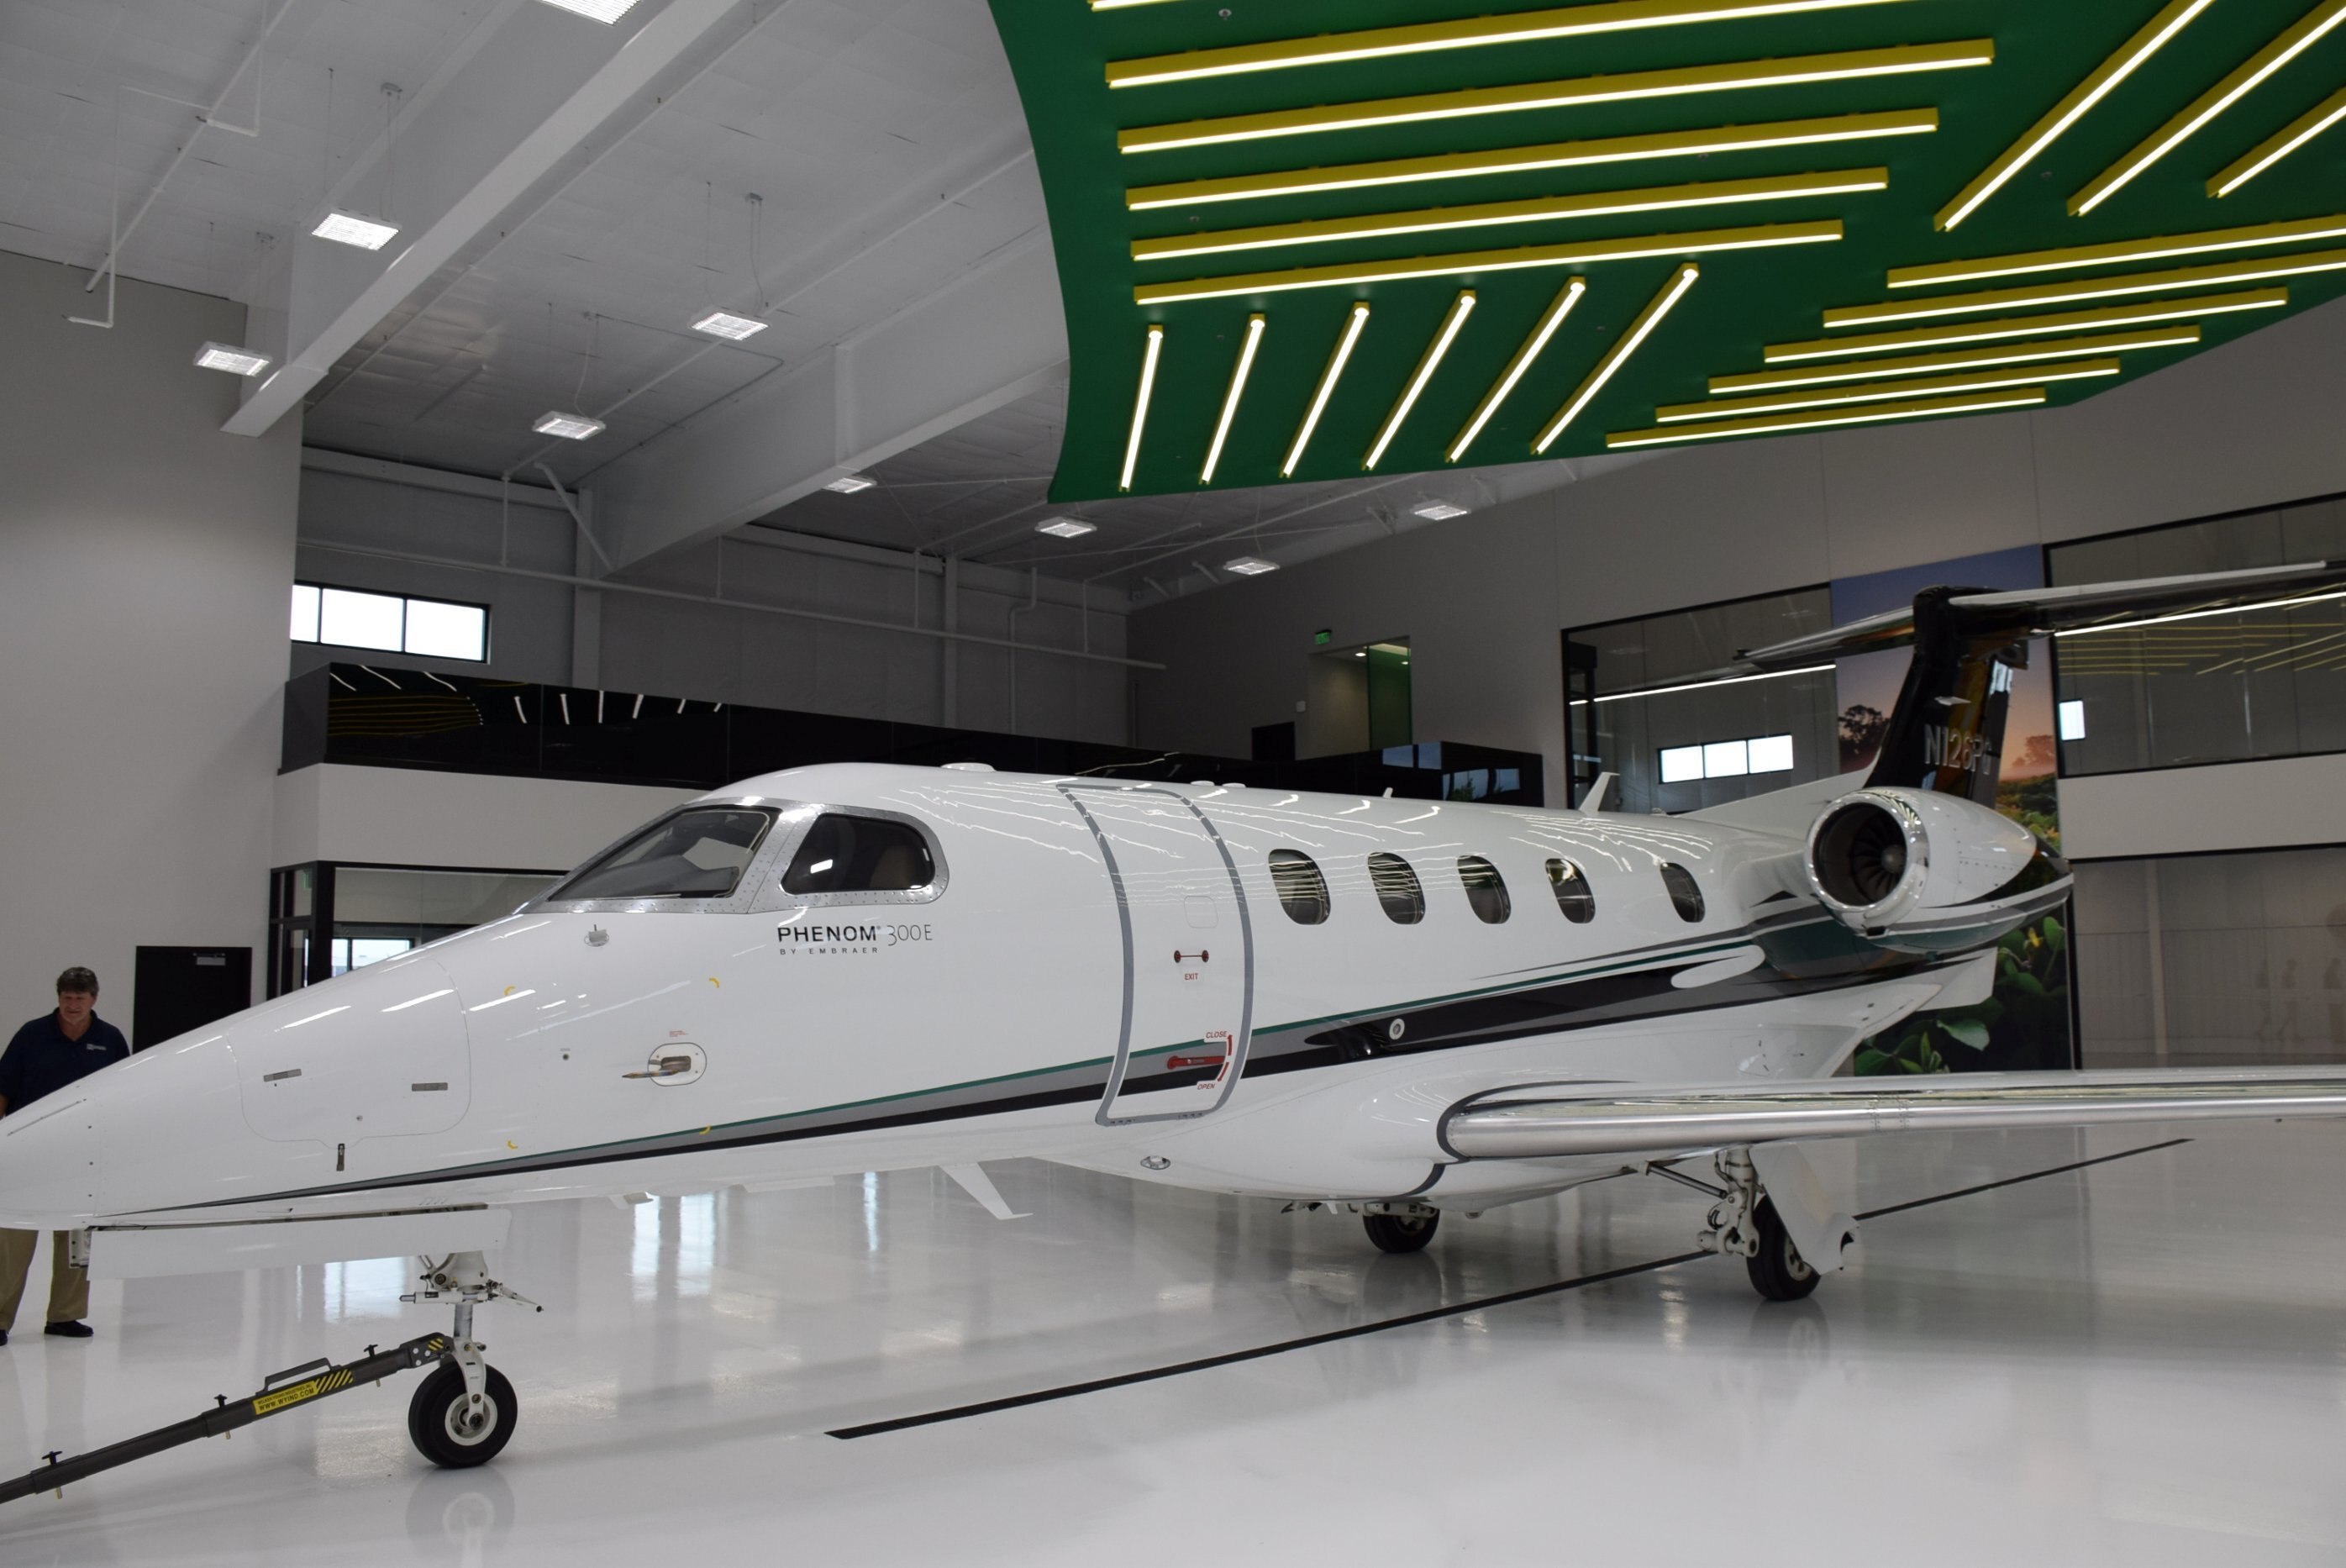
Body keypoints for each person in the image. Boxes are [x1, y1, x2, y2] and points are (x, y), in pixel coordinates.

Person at [0, 967, 129, 1345]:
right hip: (29, 1150)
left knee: (77, 1236)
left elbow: (121, 1093)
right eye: (67, 998)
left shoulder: (110, 1039)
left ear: (93, 999)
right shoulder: (32, 1034)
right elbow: (4, 1085)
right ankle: (1, 1317)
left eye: (80, 998)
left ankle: (64, 1315)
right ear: (59, 997)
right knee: (13, 1238)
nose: (73, 1005)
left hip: (85, 1153)